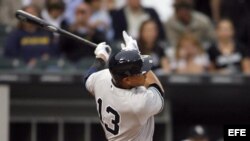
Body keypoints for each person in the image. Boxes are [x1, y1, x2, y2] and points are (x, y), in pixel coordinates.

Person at [84, 31, 164, 141]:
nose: (145, 73)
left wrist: (101, 57)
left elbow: (88, 77)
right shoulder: (139, 103)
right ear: (127, 80)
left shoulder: (103, 77)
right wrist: (137, 54)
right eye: (140, 72)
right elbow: (158, 90)